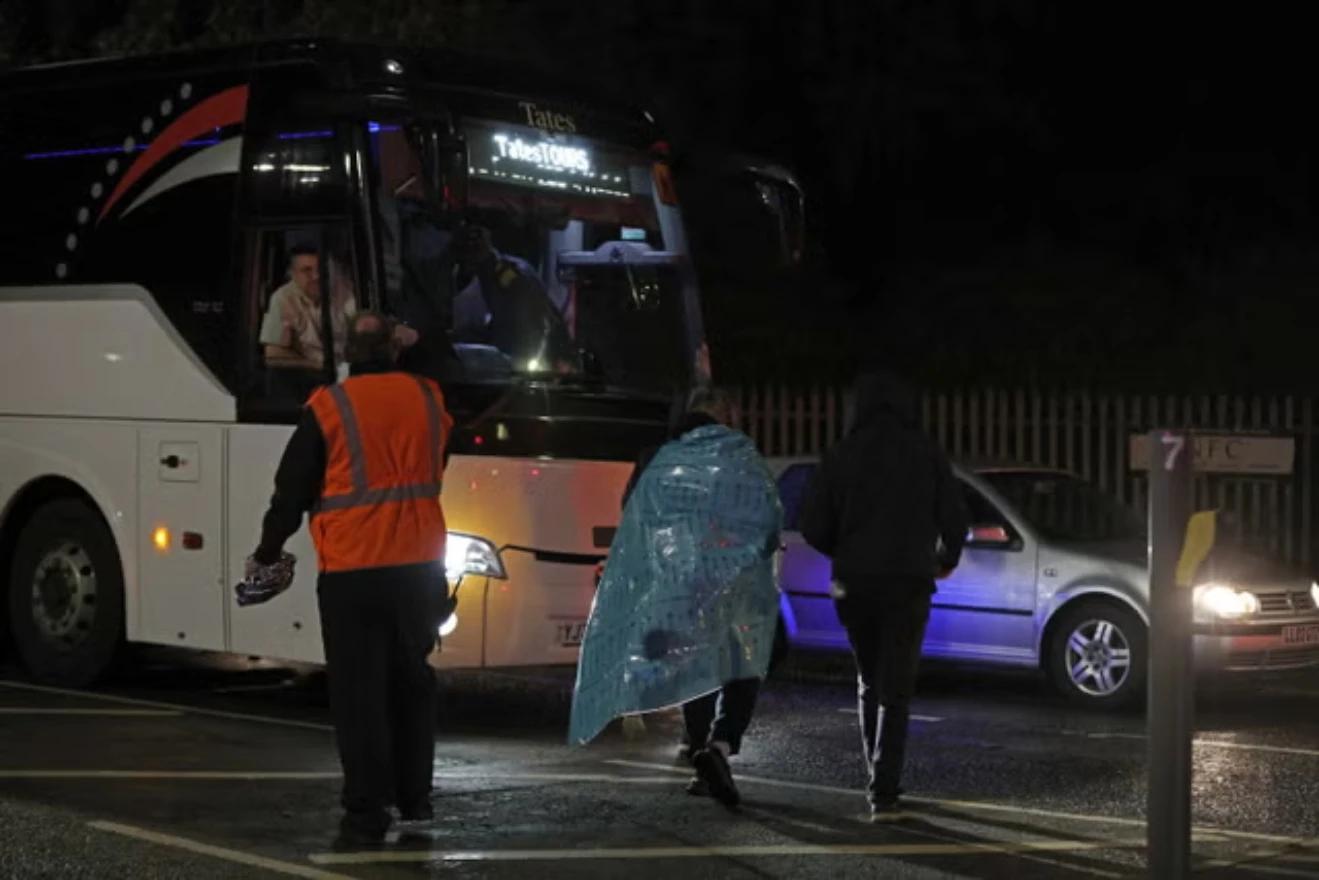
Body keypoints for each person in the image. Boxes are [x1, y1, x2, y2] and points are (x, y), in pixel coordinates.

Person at [244, 310, 453, 844]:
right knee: (412, 683)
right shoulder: (428, 397)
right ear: (393, 350)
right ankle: (416, 799)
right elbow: (438, 461)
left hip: (354, 569)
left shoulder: (330, 406)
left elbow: (292, 487)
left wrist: (270, 548)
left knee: (360, 695)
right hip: (419, 564)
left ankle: (366, 811)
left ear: (348, 357)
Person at [799, 371, 968, 822]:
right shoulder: (925, 452)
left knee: (868, 677)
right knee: (898, 687)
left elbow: (812, 524)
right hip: (910, 580)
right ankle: (885, 788)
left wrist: (847, 548)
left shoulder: (842, 454)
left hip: (852, 582)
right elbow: (955, 518)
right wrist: (945, 556)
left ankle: (875, 776)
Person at [616, 389, 776, 807]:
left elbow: (632, 513)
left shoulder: (657, 455)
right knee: (743, 665)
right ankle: (719, 746)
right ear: (724, 414)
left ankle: (700, 749)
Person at [260, 244, 358, 370]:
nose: (317, 276)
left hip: (349, 369)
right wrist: (319, 366)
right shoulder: (283, 298)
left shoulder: (346, 290)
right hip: (307, 374)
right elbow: (273, 355)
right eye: (307, 270)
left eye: (322, 269)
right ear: (292, 274)